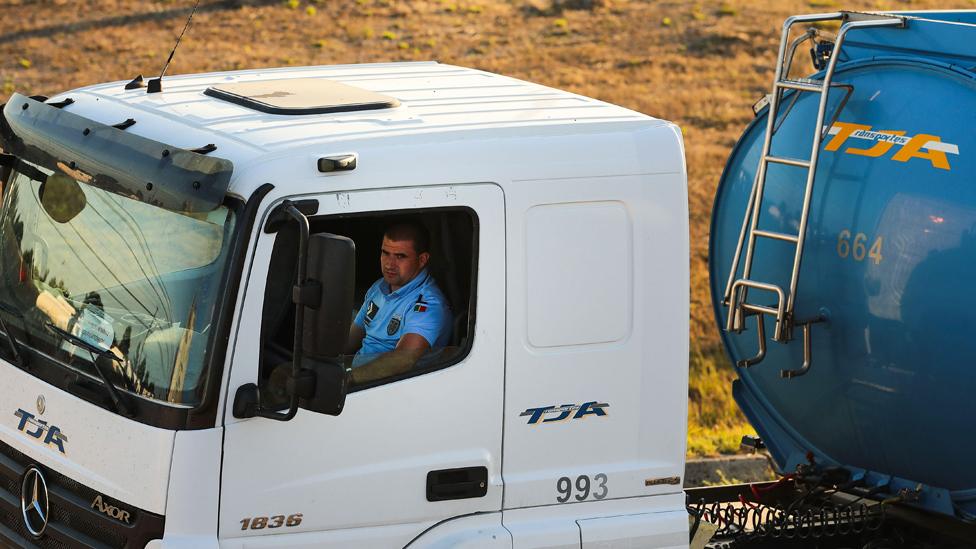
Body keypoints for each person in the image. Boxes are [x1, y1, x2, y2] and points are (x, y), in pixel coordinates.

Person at [346, 222, 451, 384]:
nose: (389, 264)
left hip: (387, 389)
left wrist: (348, 379)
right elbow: (352, 338)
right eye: (385, 253)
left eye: (400, 256)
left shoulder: (429, 305)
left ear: (422, 259)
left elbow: (403, 360)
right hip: (358, 378)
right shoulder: (379, 287)